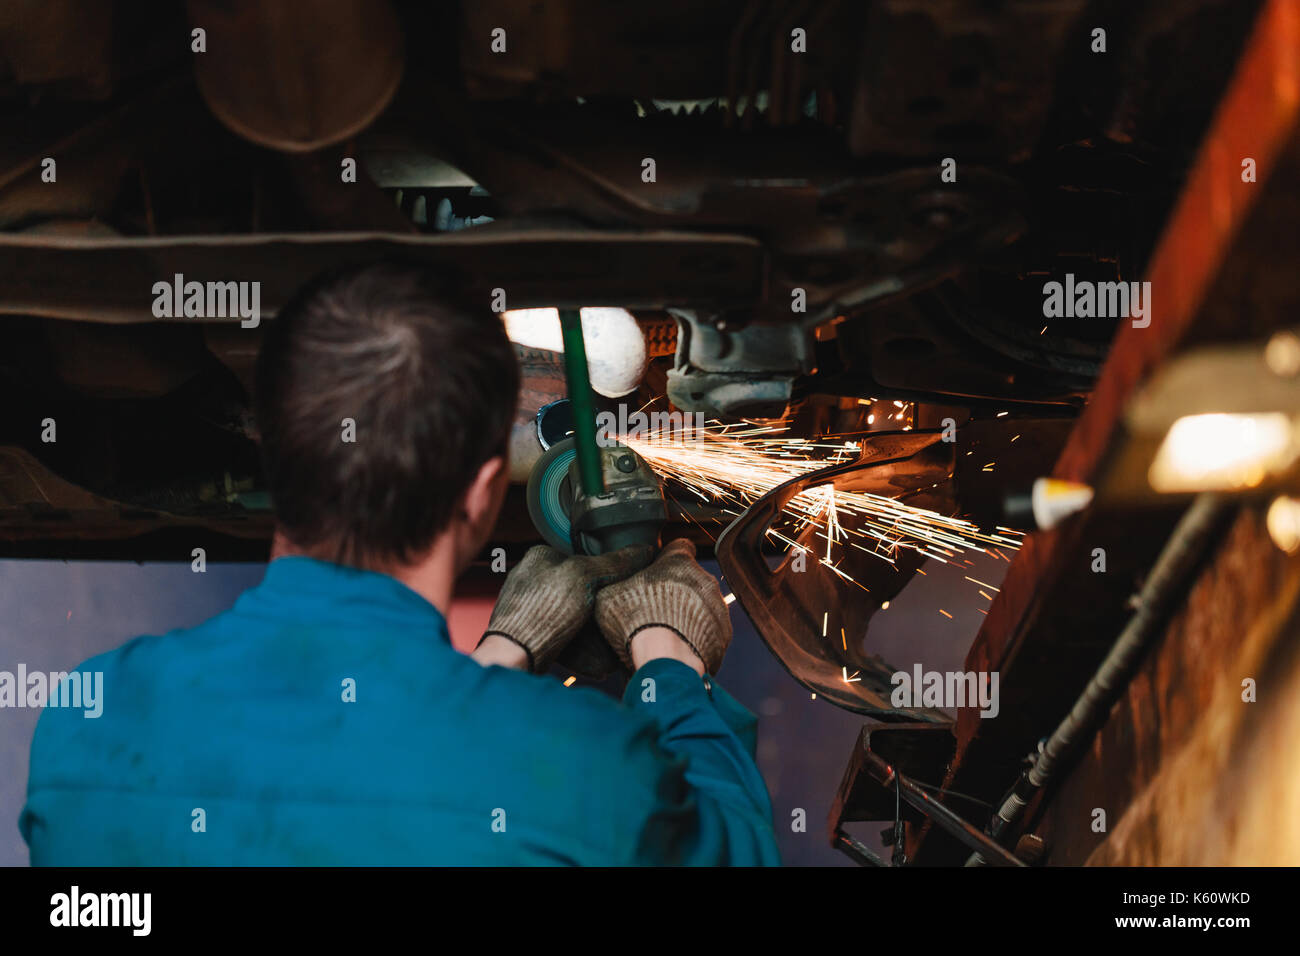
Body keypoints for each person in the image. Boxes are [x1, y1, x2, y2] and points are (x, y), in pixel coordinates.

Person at [20, 262, 780, 865]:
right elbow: (730, 849)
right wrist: (668, 657)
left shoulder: (89, 721)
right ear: (485, 497)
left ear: (274, 459)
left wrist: (502, 656)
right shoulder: (586, 769)